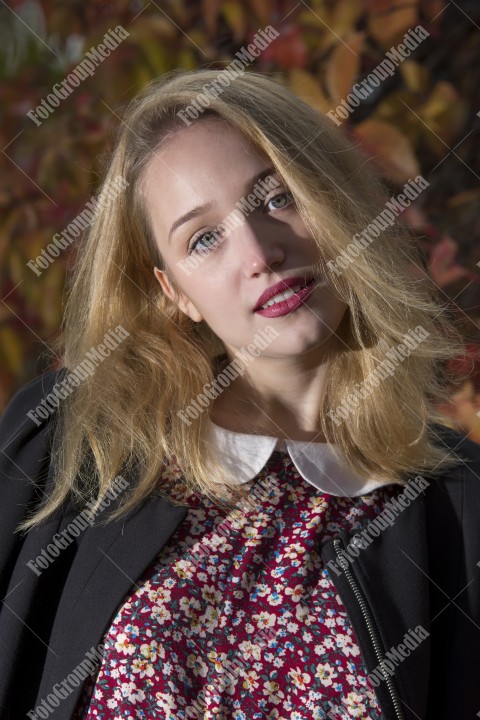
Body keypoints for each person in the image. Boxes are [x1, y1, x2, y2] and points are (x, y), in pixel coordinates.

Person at [0, 67, 479, 720]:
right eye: (204, 238)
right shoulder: (67, 442)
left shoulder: (457, 505)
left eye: (276, 197)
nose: (259, 251)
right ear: (175, 296)